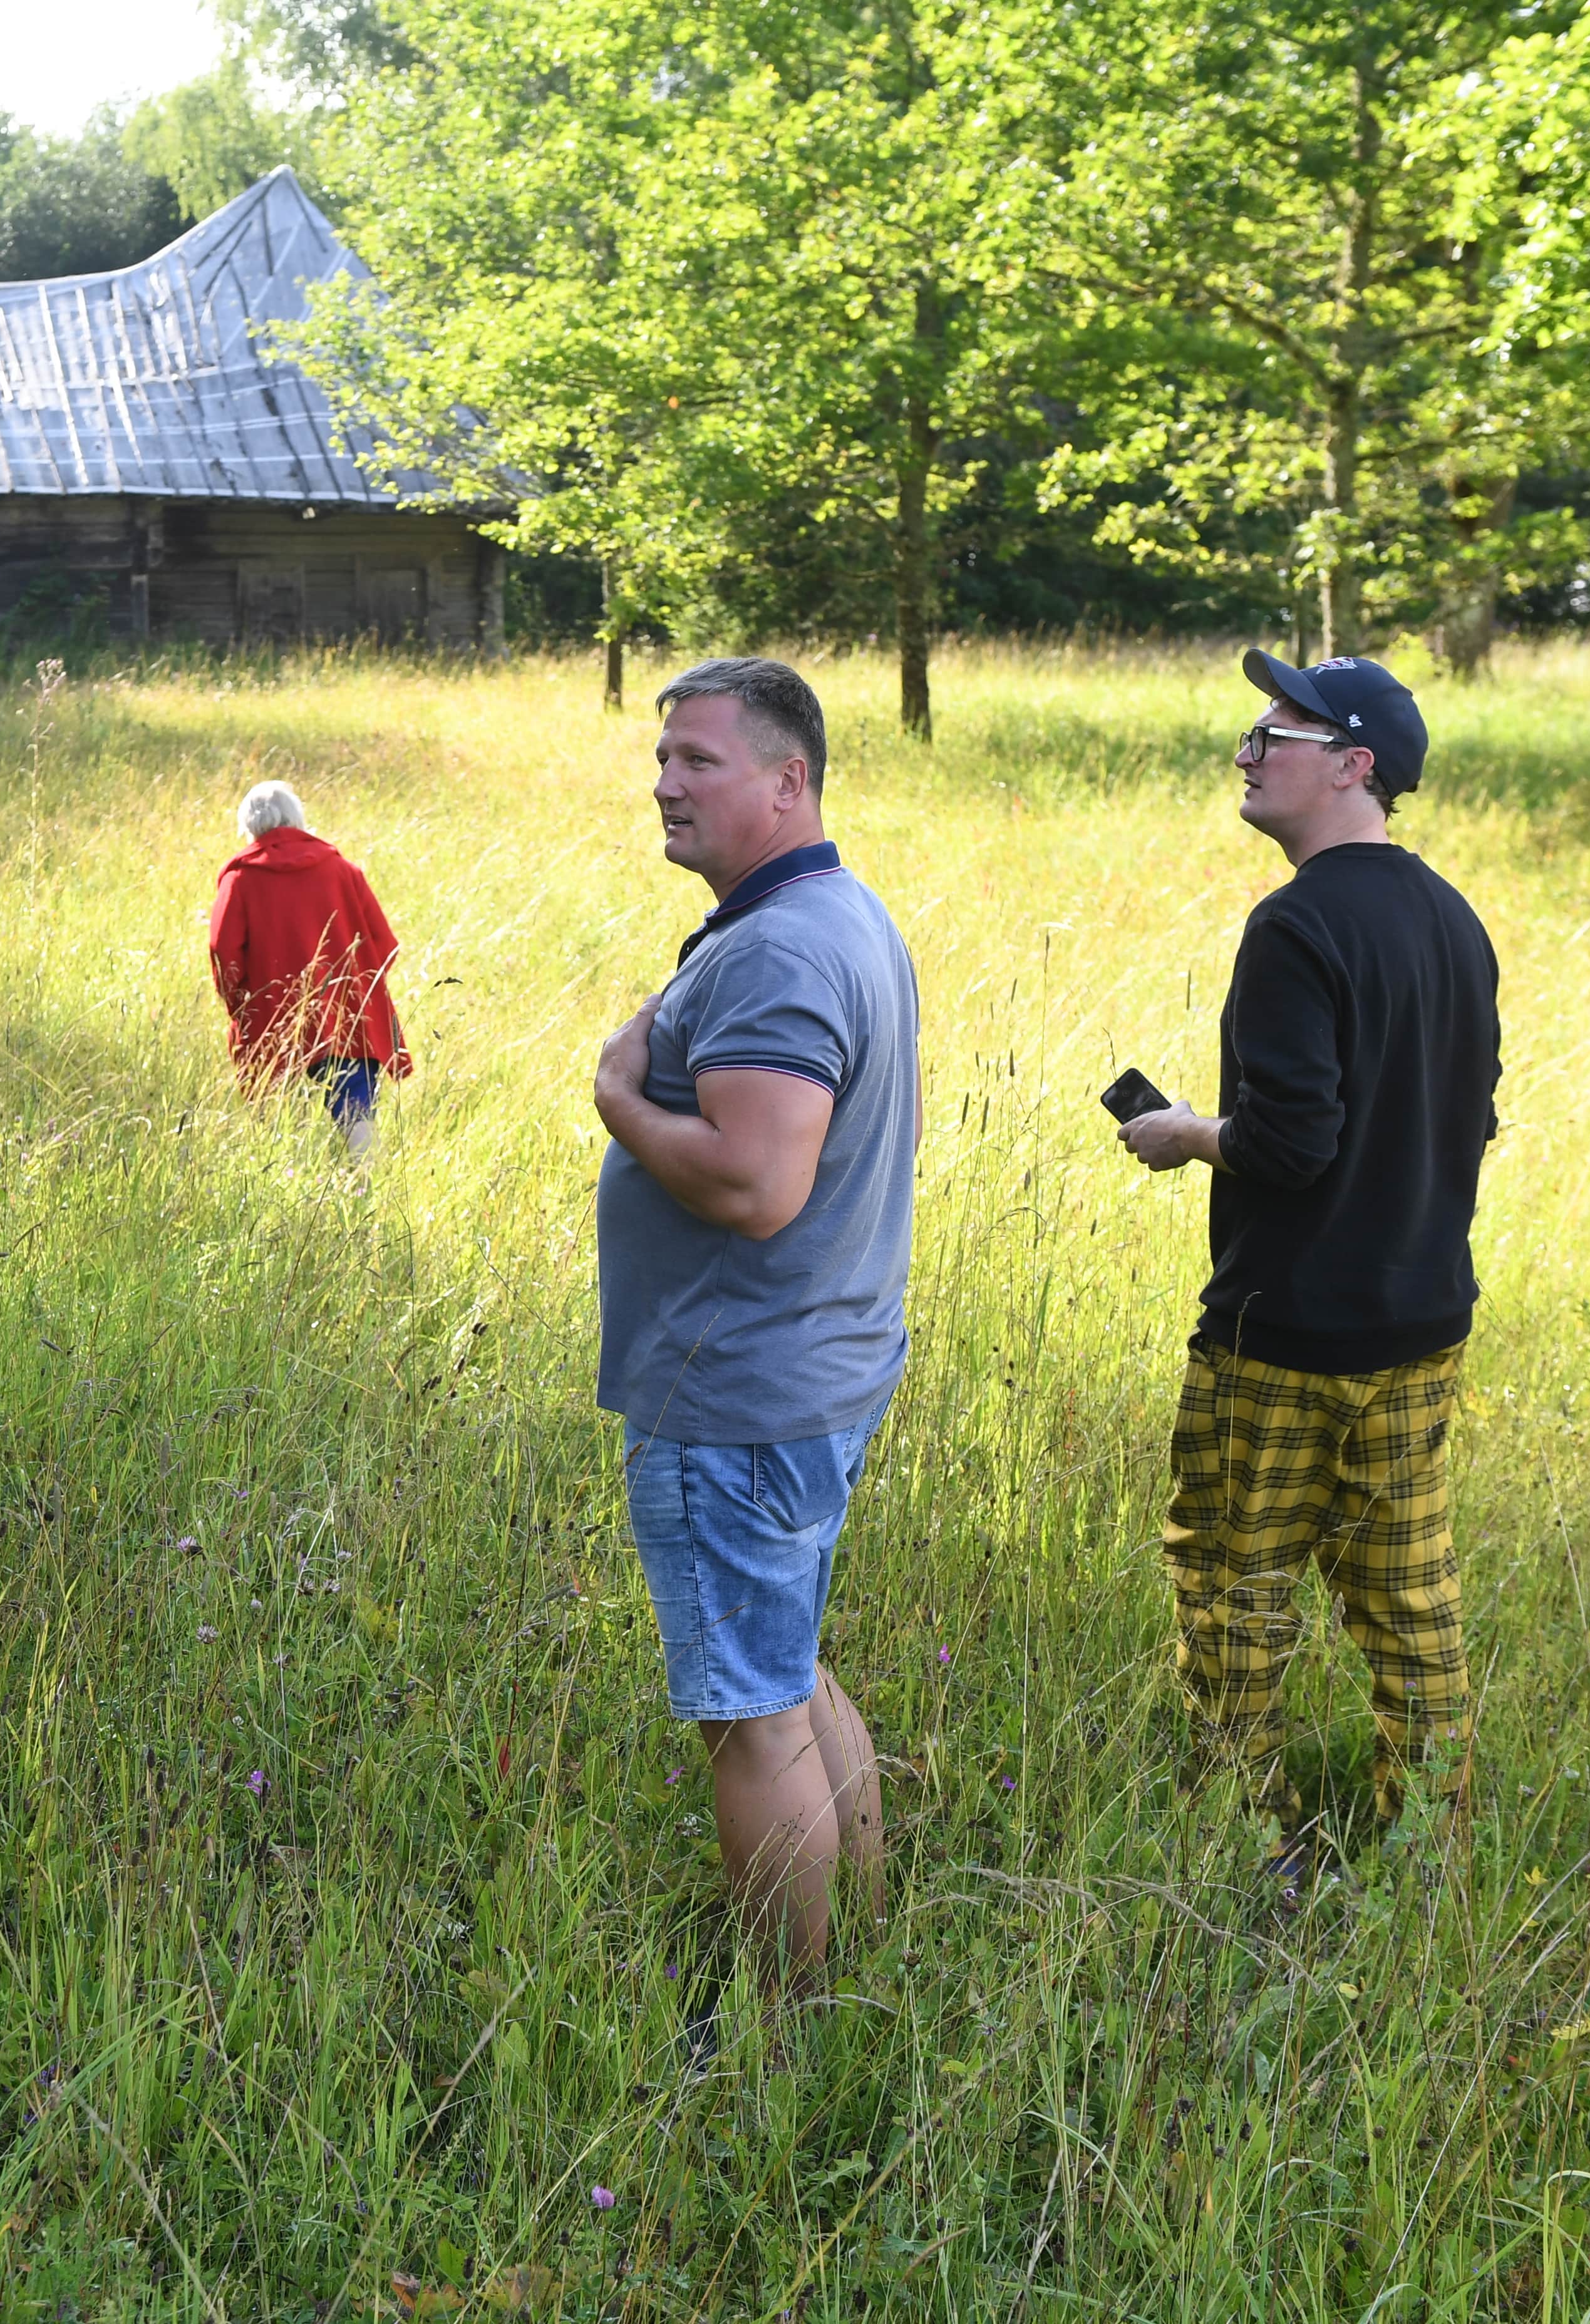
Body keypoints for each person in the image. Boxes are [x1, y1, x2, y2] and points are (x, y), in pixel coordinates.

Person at [1116, 650, 1502, 1886]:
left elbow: (1289, 1144)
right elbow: (1475, 1115)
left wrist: (1185, 1133)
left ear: (1352, 765)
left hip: (1282, 1335)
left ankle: (1251, 1842)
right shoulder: (1453, 919)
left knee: (1233, 1584)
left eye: (1271, 735)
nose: (1244, 752)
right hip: (1421, 1324)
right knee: (1408, 1600)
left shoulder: (1293, 924)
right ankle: (1425, 1856)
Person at [592, 658, 919, 1983]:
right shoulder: (833, 911)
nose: (665, 784)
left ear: (790, 781)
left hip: (737, 1389)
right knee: (786, 1673)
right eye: (661, 758)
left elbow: (754, 1183)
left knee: (750, 1719)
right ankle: (858, 1936)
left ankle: (787, 2016)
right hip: (809, 1367)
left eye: (699, 760)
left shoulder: (780, 947)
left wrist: (620, 1100)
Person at [207, 779, 411, 1159]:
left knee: (281, 1125)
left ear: (249, 826)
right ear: (297, 819)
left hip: (272, 1022)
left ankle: (292, 1182)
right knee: (357, 1116)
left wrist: (243, 1007)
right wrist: (355, 990)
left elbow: (223, 953)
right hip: (347, 1016)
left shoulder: (240, 880)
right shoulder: (342, 870)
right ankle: (366, 1185)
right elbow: (384, 946)